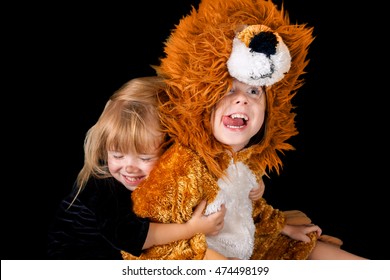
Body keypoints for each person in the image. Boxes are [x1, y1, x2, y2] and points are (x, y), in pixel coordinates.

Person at [121, 0, 367, 260]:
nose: (242, 99)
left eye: (253, 91)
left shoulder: (244, 163)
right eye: (227, 90)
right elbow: (144, 236)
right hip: (196, 255)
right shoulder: (184, 166)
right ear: (200, 102)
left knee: (319, 251)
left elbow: (248, 208)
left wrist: (285, 228)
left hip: (247, 245)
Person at [47, 76, 236, 259]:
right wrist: (193, 229)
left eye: (144, 158)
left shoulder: (179, 167)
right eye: (117, 155)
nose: (129, 168)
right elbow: (133, 237)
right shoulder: (102, 184)